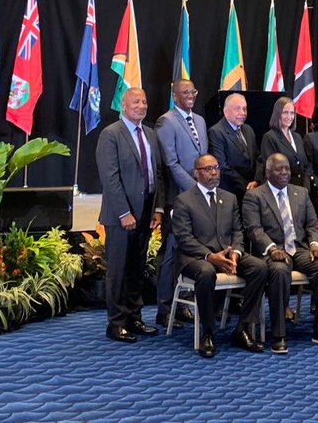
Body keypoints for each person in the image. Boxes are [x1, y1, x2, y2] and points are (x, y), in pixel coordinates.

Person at [171, 154, 268, 357]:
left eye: (216, 168)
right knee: (206, 273)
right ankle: (207, 332)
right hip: (195, 257)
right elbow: (184, 239)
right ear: (196, 173)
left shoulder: (229, 198)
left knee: (259, 267)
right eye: (208, 169)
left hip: (227, 253)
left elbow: (238, 232)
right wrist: (210, 255)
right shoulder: (183, 201)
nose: (214, 172)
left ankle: (242, 329)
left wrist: (237, 253)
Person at [244, 153, 318, 353]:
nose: (284, 173)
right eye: (279, 169)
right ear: (268, 172)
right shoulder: (255, 196)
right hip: (273, 251)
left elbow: (313, 224)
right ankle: (279, 334)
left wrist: (315, 244)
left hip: (299, 249)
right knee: (280, 271)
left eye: (287, 169)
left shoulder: (301, 192)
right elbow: (254, 230)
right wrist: (272, 249)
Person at [95, 88, 164, 343]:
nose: (142, 105)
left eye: (144, 101)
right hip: (120, 216)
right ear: (123, 106)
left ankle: (134, 317)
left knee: (137, 269)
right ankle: (116, 323)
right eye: (136, 101)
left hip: (146, 212)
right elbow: (110, 178)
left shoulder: (150, 134)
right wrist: (124, 212)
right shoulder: (110, 135)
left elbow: (157, 173)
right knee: (119, 270)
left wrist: (158, 208)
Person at [153, 78, 206, 326]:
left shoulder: (200, 121)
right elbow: (171, 164)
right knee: (171, 254)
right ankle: (163, 310)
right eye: (185, 92)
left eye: (192, 91)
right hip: (179, 198)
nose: (190, 95)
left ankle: (183, 302)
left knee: (192, 253)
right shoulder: (166, 121)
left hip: (199, 197)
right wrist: (197, 190)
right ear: (174, 96)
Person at [256, 96, 312, 189]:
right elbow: (272, 171)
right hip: (282, 190)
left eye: (292, 113)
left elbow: (305, 165)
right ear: (277, 114)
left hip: (301, 190)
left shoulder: (297, 137)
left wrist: (306, 185)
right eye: (285, 112)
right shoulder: (270, 137)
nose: (289, 117)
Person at [208, 92, 258, 196]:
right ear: (226, 111)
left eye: (244, 108)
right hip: (230, 192)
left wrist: (256, 180)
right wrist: (246, 186)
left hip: (252, 189)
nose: (243, 112)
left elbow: (257, 157)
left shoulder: (248, 130)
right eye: (237, 108)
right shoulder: (216, 132)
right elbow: (222, 166)